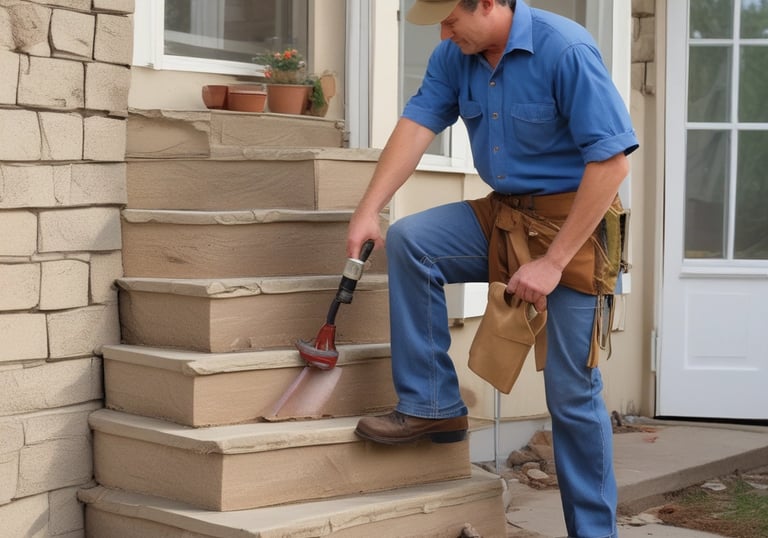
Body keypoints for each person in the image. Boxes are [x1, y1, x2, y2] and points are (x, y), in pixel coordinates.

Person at [347, 1, 638, 536]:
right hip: (504, 213)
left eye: (451, 18)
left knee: (571, 395)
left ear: (487, 3)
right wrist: (369, 211)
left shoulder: (565, 48)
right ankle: (432, 403)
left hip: (572, 226)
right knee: (413, 241)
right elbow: (416, 127)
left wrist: (552, 264)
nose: (443, 31)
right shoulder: (455, 55)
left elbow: (612, 162)